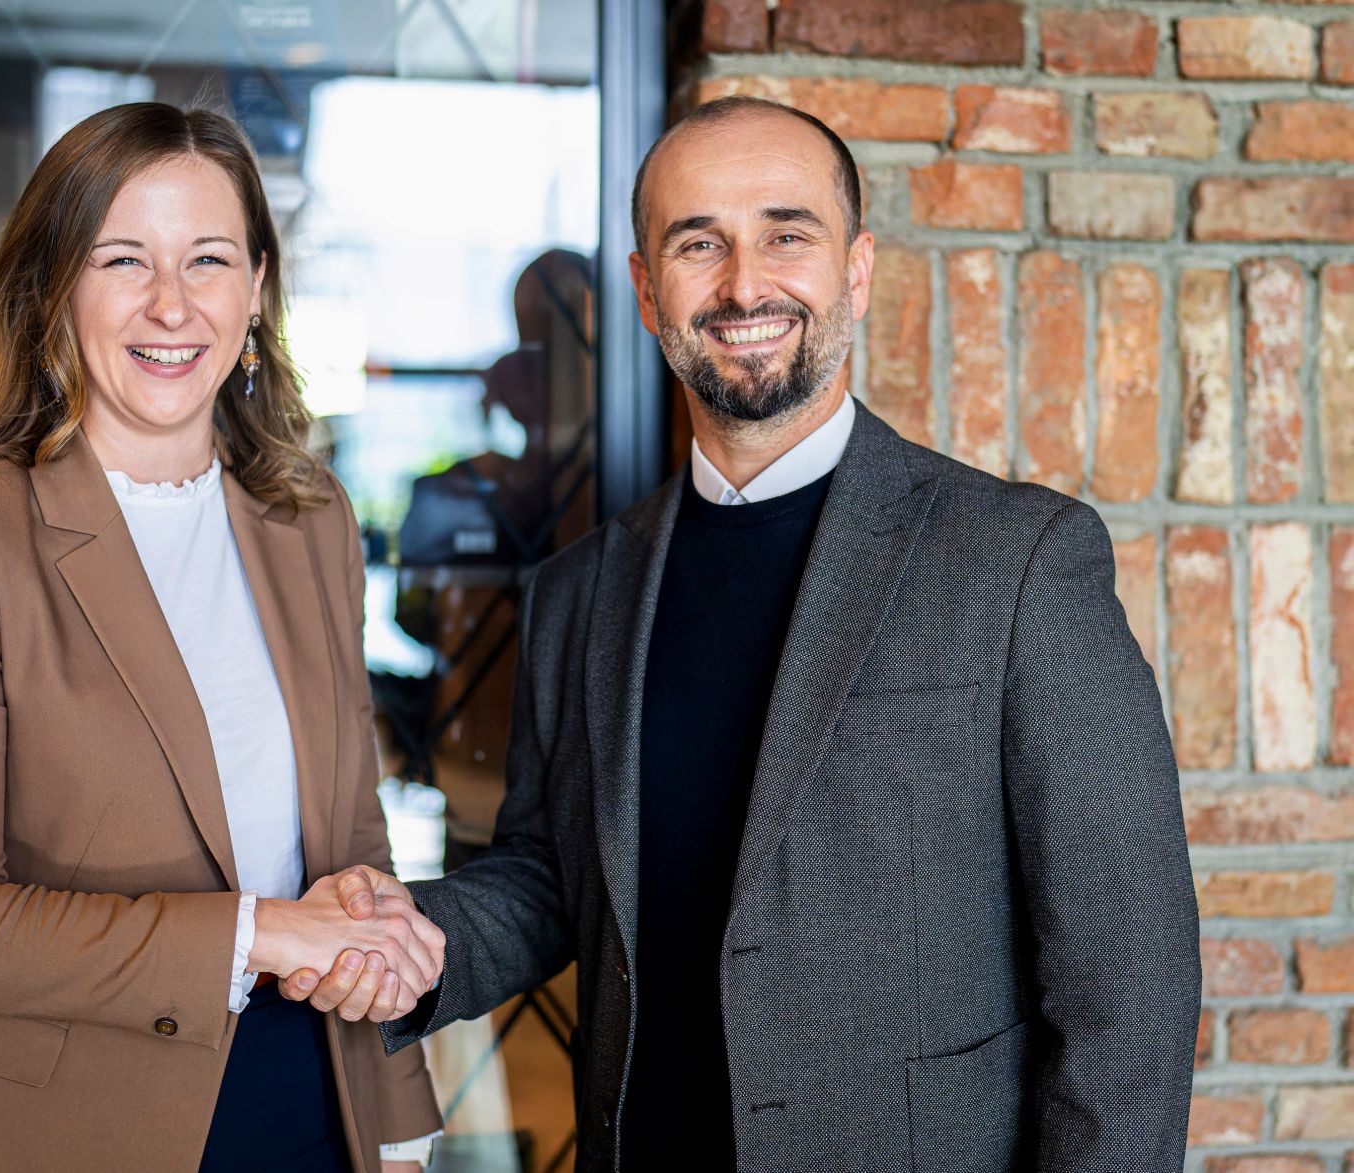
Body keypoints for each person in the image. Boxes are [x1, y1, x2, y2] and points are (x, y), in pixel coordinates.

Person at [285, 96, 1202, 1171]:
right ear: (643, 290)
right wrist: (402, 939)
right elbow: (547, 879)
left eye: (784, 234)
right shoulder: (579, 591)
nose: (741, 283)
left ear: (853, 270)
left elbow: (1128, 988)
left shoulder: (1016, 561)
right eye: (696, 243)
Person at [0, 103, 444, 1173]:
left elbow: (349, 844)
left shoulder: (310, 524)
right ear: (52, 291)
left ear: (256, 290)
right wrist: (259, 932)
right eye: (123, 258)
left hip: (306, 1100)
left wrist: (394, 1117)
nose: (171, 304)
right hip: (50, 1129)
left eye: (207, 258)